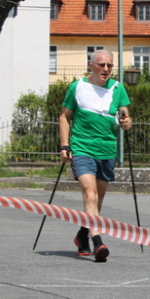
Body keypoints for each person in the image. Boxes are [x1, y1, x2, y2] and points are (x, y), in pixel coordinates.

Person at [59, 50, 131, 262]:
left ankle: (82, 235)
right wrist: (64, 144)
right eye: (101, 65)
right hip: (82, 148)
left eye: (109, 65)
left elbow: (125, 116)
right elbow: (64, 116)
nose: (106, 69)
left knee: (96, 199)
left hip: (107, 150)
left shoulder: (118, 89)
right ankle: (97, 241)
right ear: (91, 65)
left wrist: (127, 122)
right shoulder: (77, 87)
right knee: (89, 193)